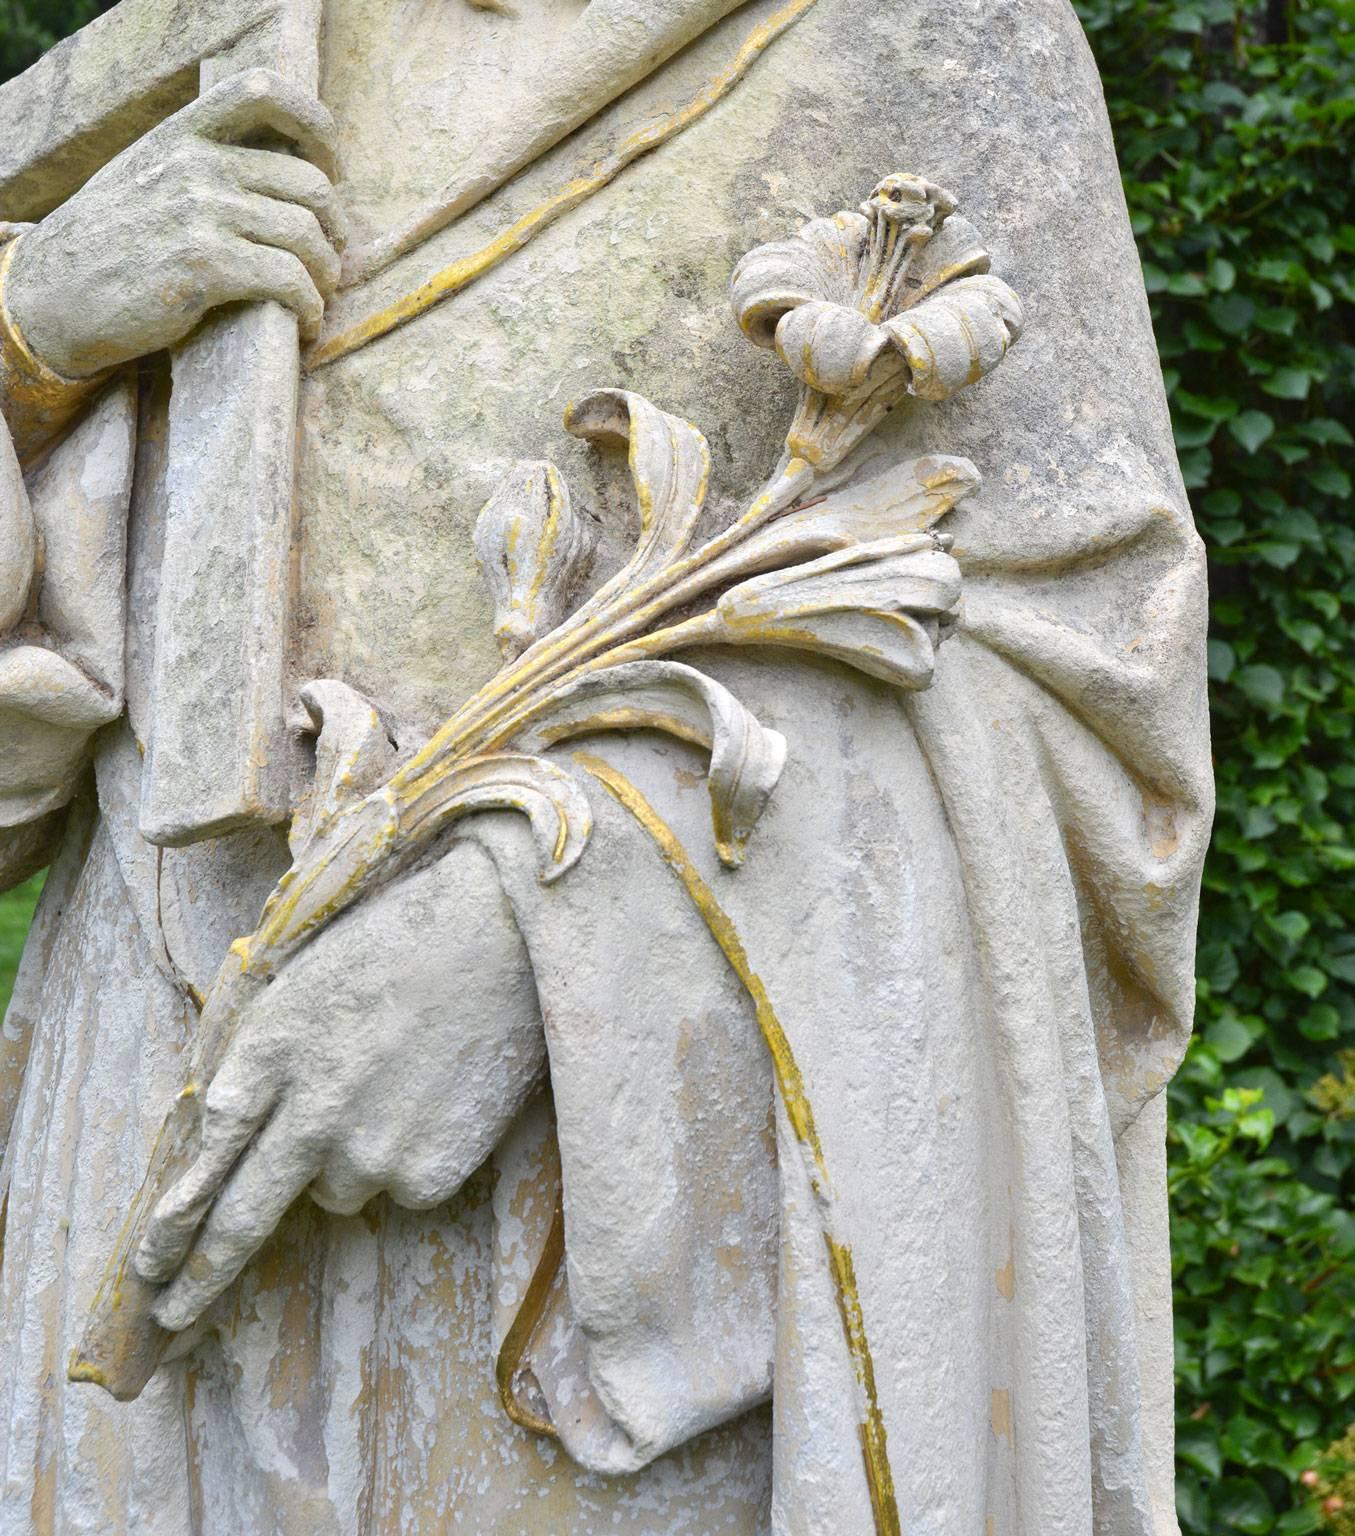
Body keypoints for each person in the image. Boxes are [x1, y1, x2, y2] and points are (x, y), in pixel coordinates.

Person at [0, 1, 1212, 1530]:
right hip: (137, 1132)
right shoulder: (211, 43)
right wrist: (33, 340)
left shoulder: (932, 35)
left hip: (611, 1211)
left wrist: (552, 918)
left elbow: (1091, 714)